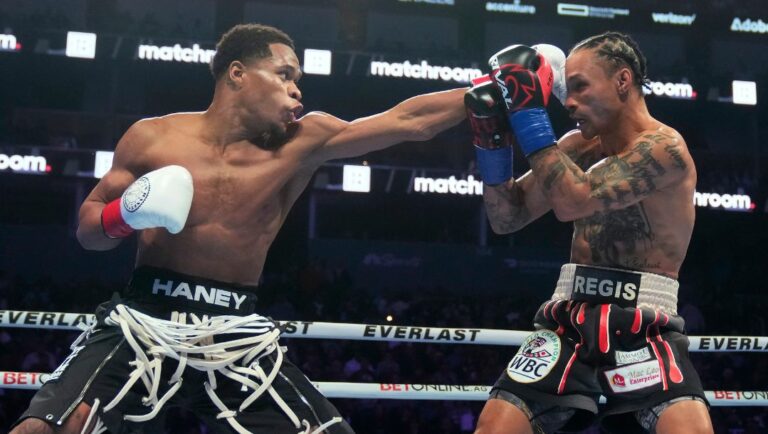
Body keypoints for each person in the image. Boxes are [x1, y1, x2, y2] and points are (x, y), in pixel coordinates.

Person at [11, 23, 466, 434]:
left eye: (297, 82)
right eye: (285, 75)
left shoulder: (303, 141)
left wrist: (492, 89)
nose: (296, 92)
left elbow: (409, 122)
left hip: (235, 334)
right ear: (237, 74)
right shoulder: (153, 137)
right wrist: (124, 216)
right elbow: (88, 232)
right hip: (142, 322)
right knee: (43, 429)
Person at [466, 33, 714, 433]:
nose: (567, 101)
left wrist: (528, 114)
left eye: (580, 85)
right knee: (492, 428)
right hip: (568, 317)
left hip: (642, 320)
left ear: (622, 80)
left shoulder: (664, 149)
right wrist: (491, 144)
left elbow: (572, 202)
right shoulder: (577, 147)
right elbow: (507, 218)